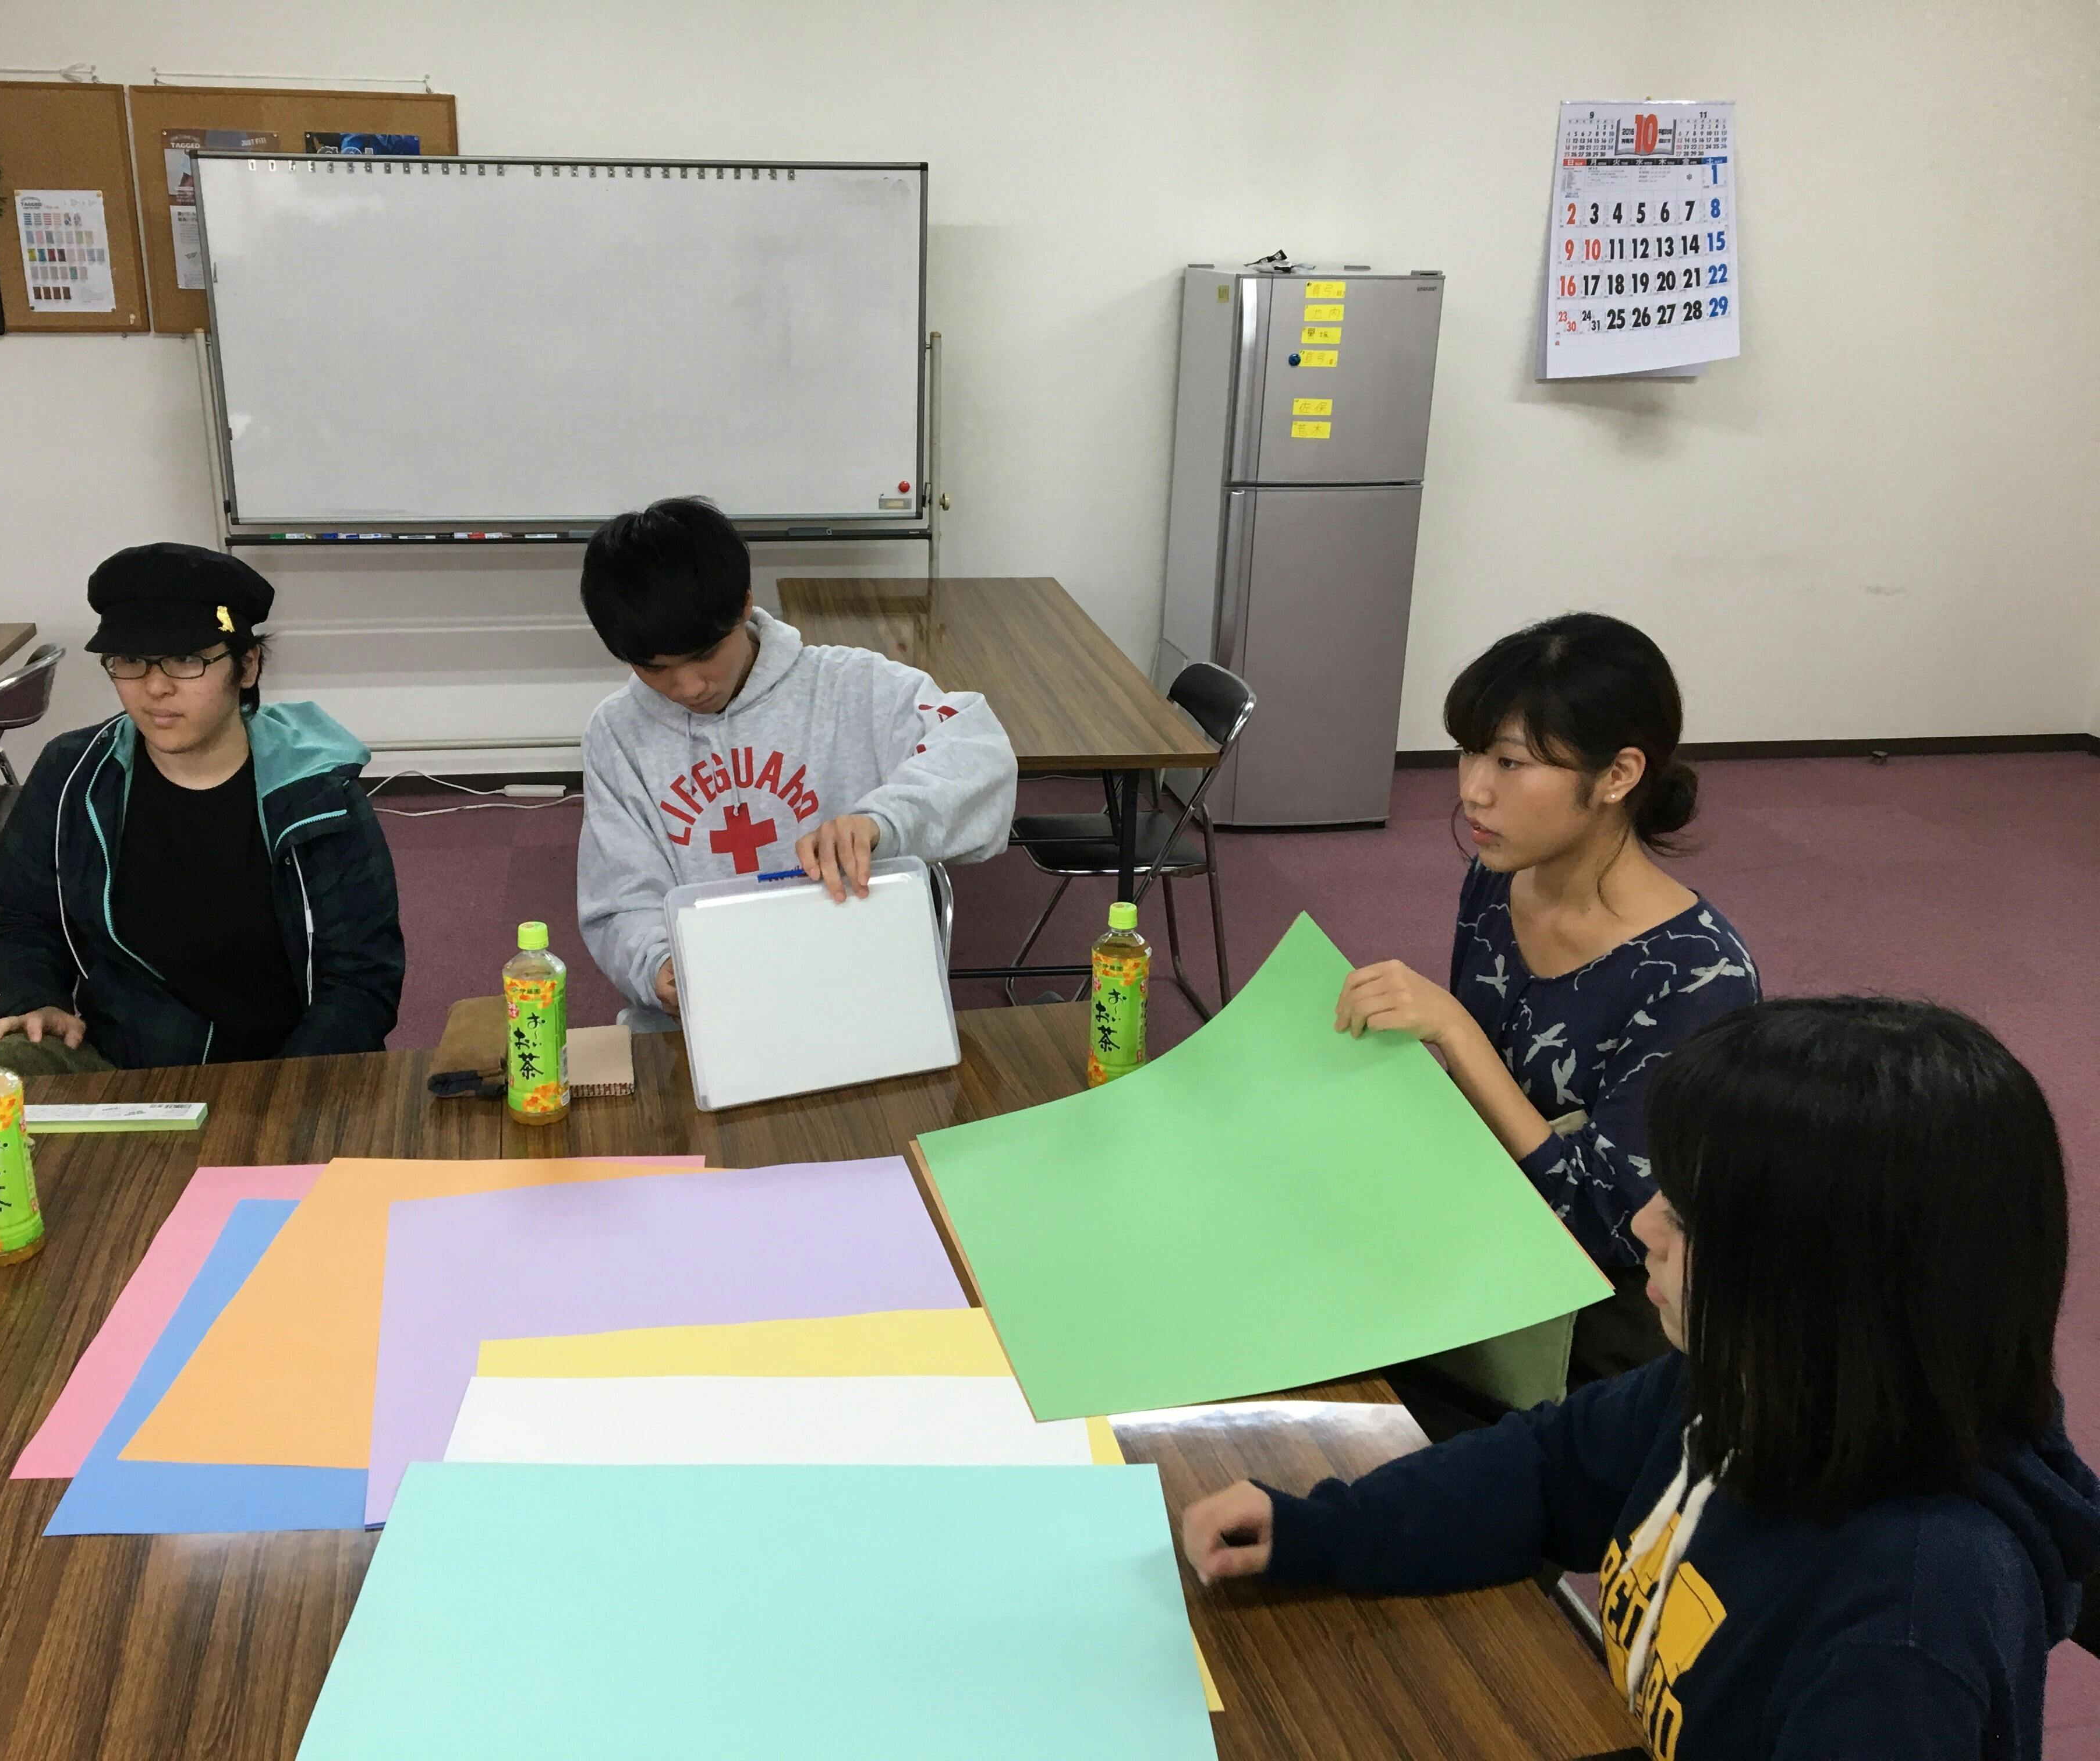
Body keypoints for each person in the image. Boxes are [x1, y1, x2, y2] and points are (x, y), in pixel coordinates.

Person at [1181, 996, 2098, 1761]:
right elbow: (1546, 1469)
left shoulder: (1908, 1632)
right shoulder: (1739, 1383)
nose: (1645, 1226)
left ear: (1826, 1287)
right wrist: (1327, 1528)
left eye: (1689, 1218)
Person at [1336, 613, 1756, 1391]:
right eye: (1469, 752)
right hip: (1482, 1235)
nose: (1472, 790)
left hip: (1586, 1328)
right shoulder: (1500, 878)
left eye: (1509, 762)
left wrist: (1456, 1031)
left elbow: (1604, 1224)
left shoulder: (1697, 975)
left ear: (1618, 776)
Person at [576, 497, 1018, 1030]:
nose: (689, 687)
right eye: (654, 669)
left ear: (745, 605)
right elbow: (619, 899)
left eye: (704, 655)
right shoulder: (617, 733)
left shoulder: (850, 685)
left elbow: (980, 752)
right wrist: (656, 965)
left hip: (857, 993)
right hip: (708, 1011)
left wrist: (884, 822)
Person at [0, 543, 403, 1070]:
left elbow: (362, 979)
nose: (155, 688)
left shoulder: (316, 796)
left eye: (186, 660)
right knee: (3, 1067)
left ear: (247, 666)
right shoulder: (74, 774)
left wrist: (286, 1087)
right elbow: (23, 913)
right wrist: (35, 996)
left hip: (288, 1067)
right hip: (125, 1066)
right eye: (131, 661)